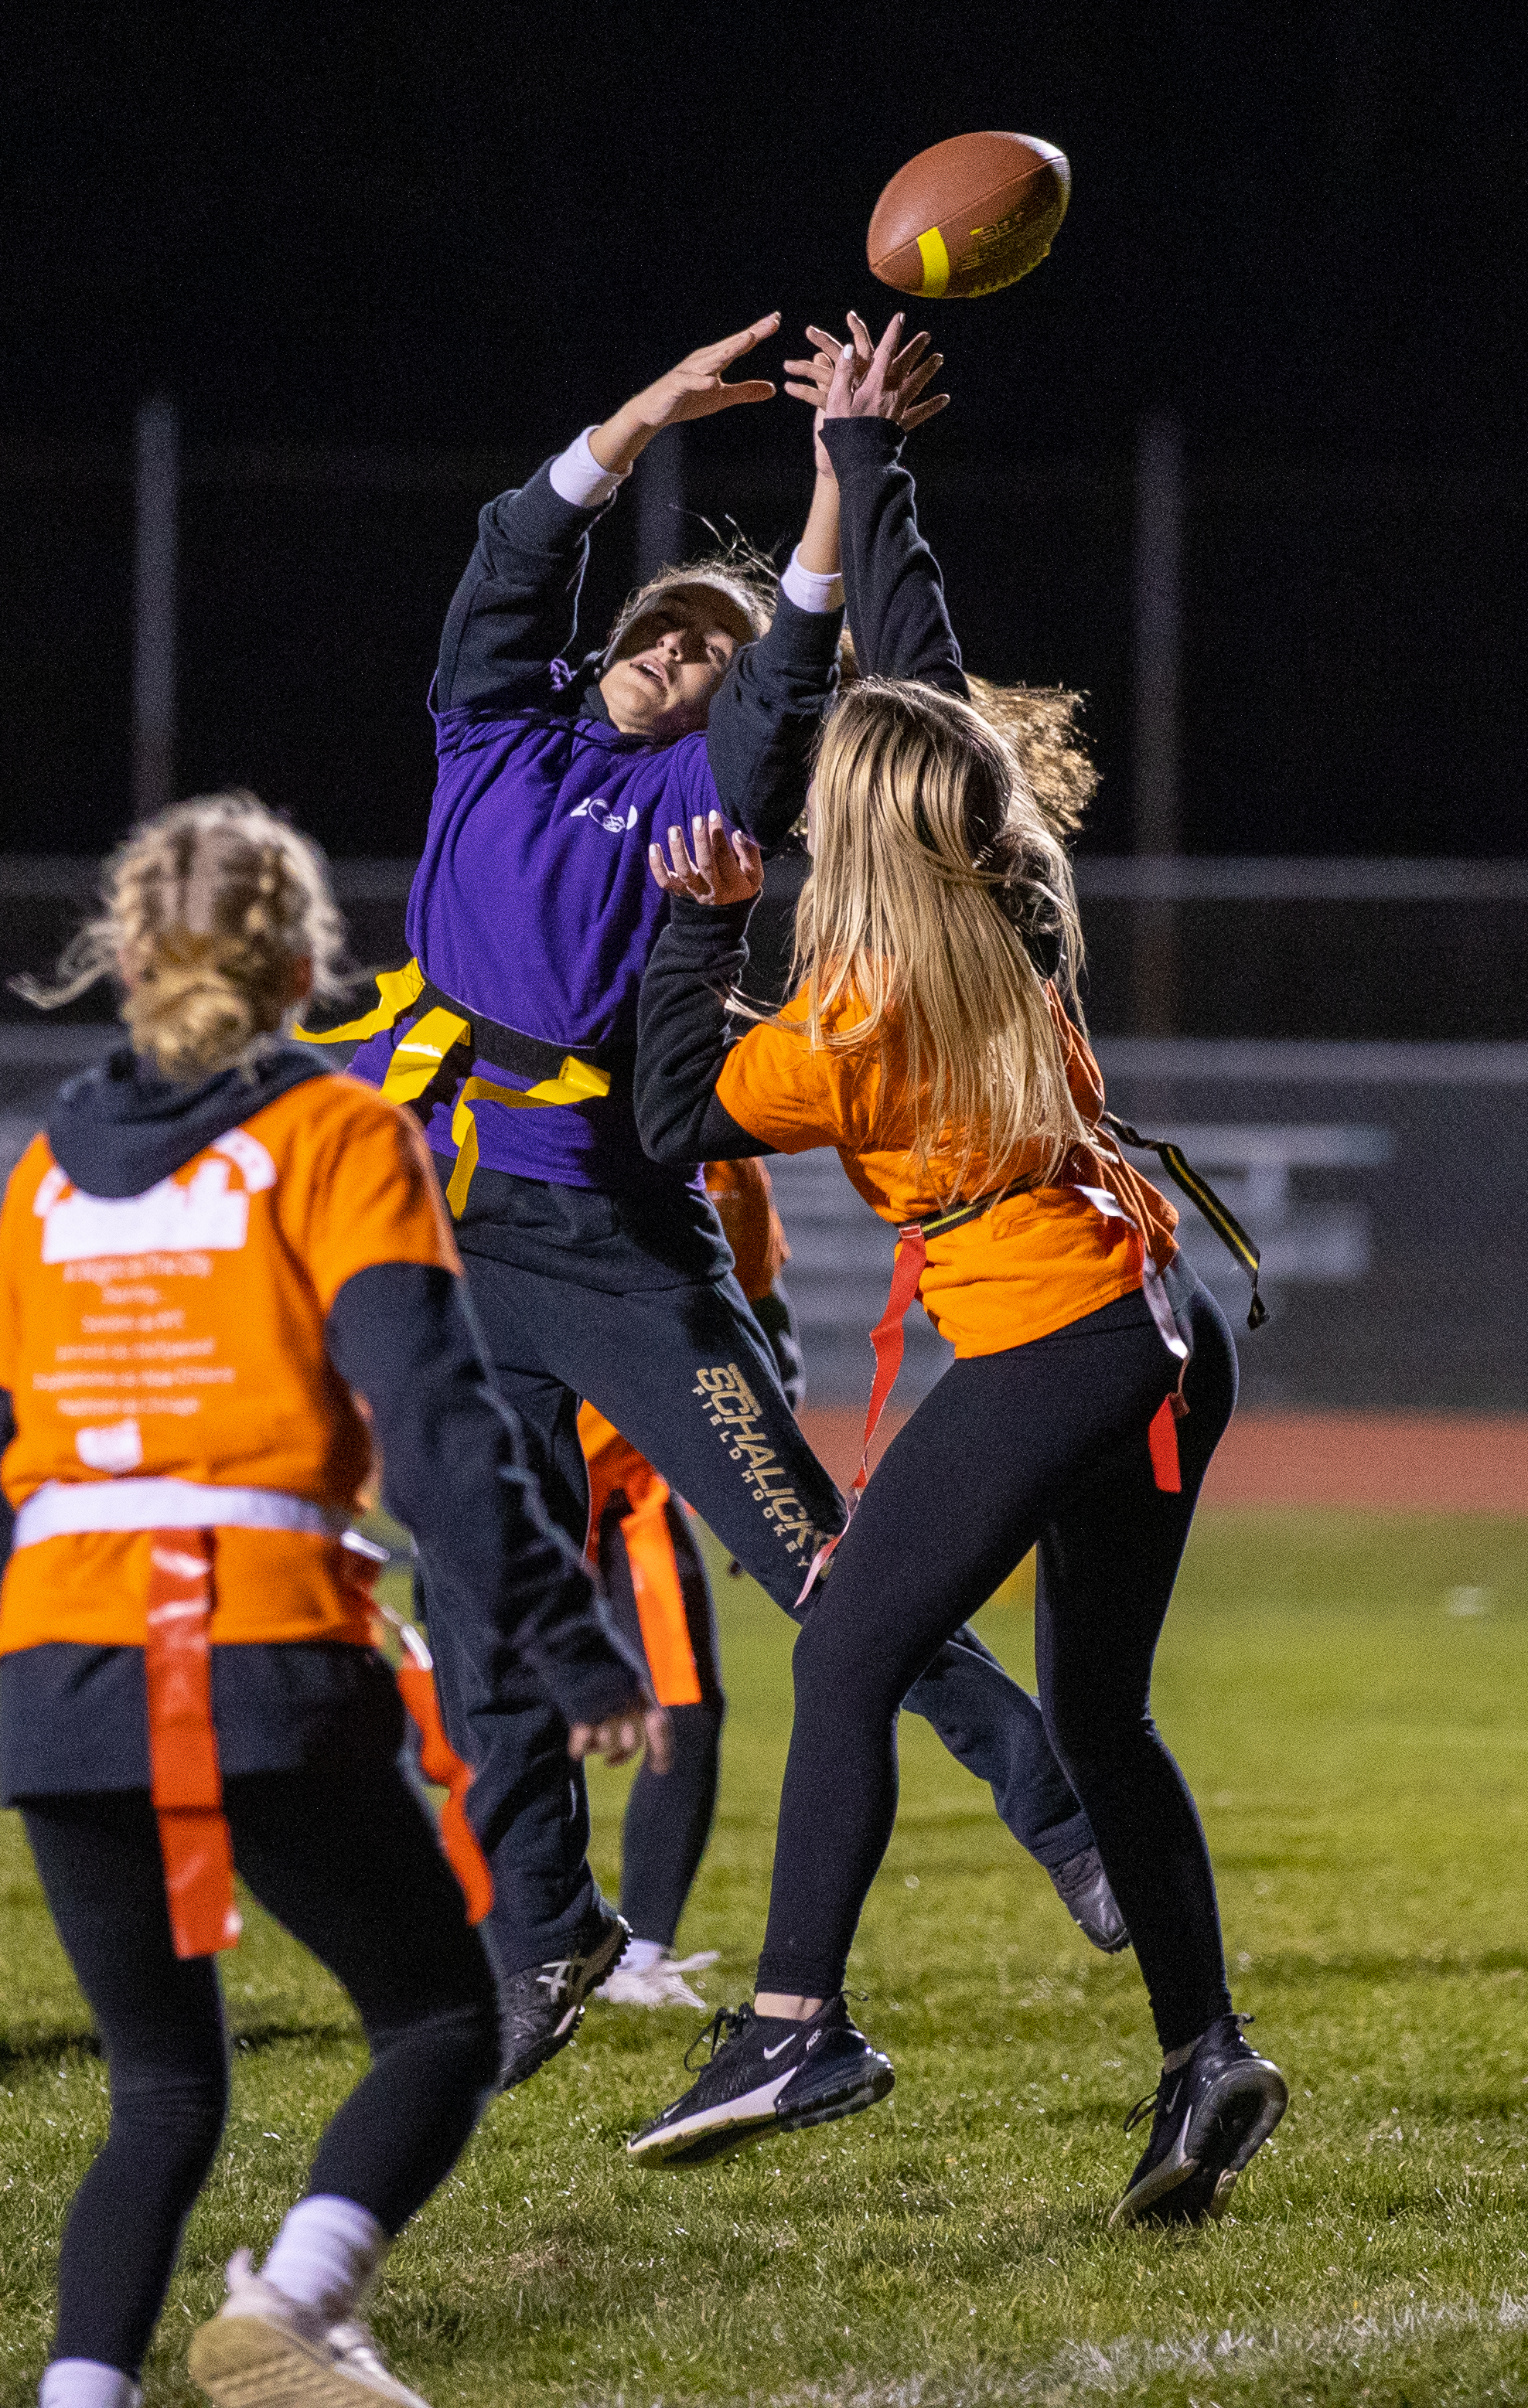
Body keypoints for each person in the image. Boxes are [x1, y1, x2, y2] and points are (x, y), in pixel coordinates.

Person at [309, 313, 1114, 2086]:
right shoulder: (489, 738)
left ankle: (1060, 1806)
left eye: (722, 648)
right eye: (670, 623)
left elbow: (798, 663)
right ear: (620, 634)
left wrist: (837, 482)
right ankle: (549, 1932)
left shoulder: (709, 787)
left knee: (820, 1567)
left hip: (614, 1244)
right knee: (477, 1602)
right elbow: (511, 553)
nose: (691, 650)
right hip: (454, 1238)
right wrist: (636, 422)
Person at [614, 404, 1284, 2216]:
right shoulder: (1015, 886)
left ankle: (792, 2022)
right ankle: (1203, 2054)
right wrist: (874, 465)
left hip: (1060, 1338)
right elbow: (926, 680)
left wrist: (696, 926)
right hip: (1148, 1320)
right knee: (1101, 1722)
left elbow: (674, 1113)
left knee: (842, 1650)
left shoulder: (849, 1013)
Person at [0, 792, 653, 2408]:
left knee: (157, 2089)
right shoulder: (339, 1133)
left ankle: (85, 2394)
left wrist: (49, 1654)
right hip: (255, 1638)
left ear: (127, 953)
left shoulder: (46, 1169)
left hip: (58, 1666)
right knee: (432, 2022)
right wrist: (562, 1638)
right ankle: (292, 2307)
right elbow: (437, 1421)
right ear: (300, 963)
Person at [589, 1157, 793, 2015]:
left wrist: (767, 1472)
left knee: (685, 1711)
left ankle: (636, 1952)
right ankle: (527, 1943)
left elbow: (762, 1307)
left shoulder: (733, 1163)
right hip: (526, 1478)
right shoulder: (562, 1120)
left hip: (634, 1486)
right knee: (477, 1728)